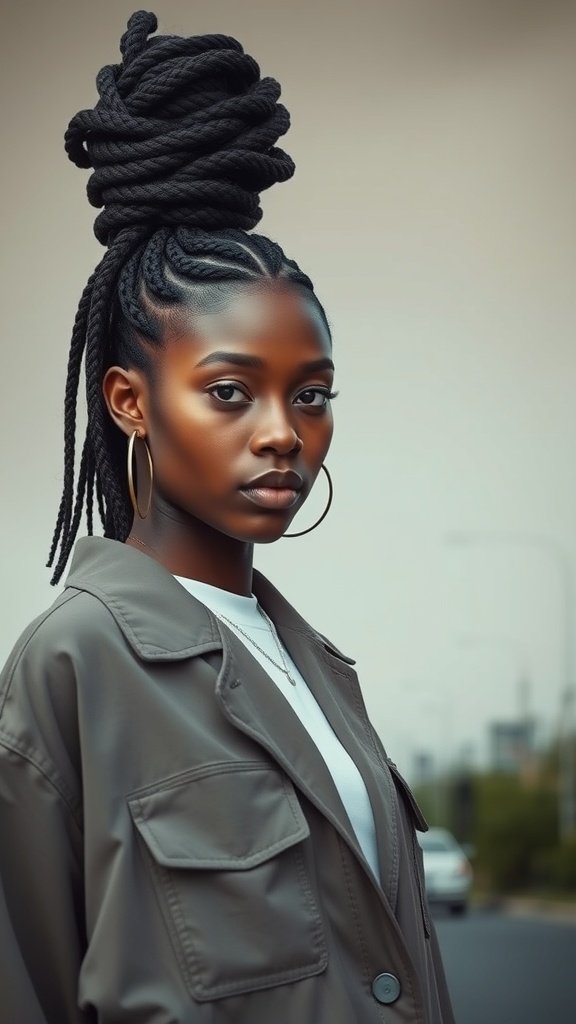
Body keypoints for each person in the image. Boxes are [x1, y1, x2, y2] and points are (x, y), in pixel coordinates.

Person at [0, 11, 455, 1024]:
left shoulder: (315, 666)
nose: (284, 433)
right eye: (230, 392)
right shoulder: (74, 663)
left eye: (310, 394)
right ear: (130, 402)